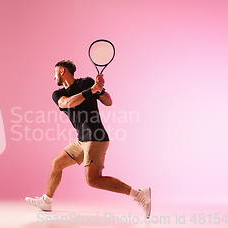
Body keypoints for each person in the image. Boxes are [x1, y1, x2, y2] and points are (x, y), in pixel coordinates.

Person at [25, 60, 151, 219]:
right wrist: (91, 91)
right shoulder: (58, 94)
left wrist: (100, 90)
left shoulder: (87, 82)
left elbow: (108, 102)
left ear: (62, 71)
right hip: (82, 140)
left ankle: (139, 195)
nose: (53, 77)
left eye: (54, 72)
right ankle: (47, 201)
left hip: (95, 137)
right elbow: (68, 103)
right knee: (56, 163)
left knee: (93, 180)